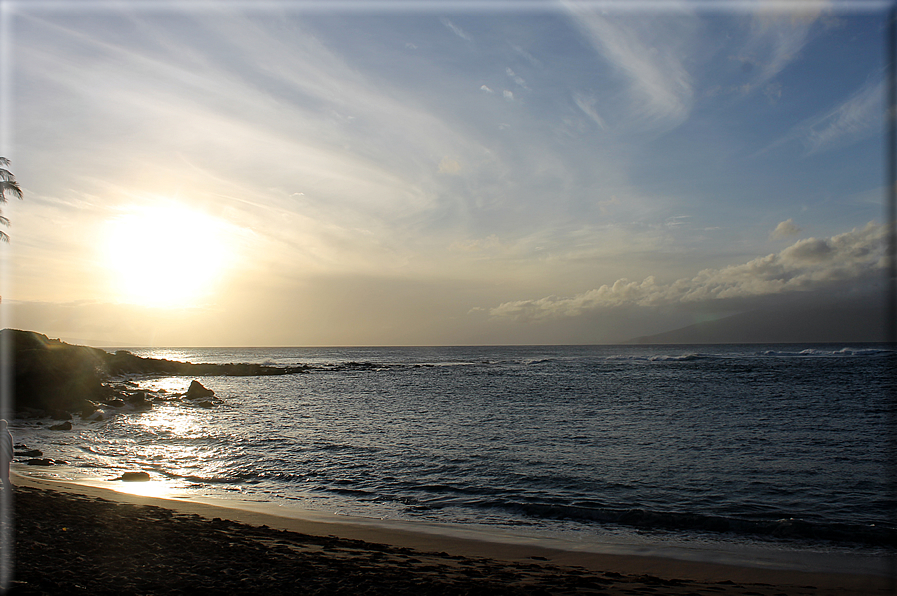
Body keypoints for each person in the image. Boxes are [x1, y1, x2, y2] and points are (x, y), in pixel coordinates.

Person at [0, 420, 11, 489]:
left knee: (4, 476)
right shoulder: (7, 433)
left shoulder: (3, 434)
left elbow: (3, 447)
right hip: (6, 457)